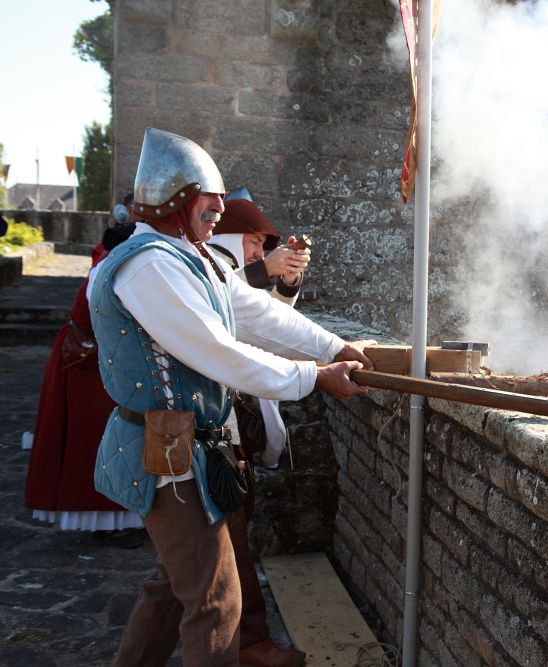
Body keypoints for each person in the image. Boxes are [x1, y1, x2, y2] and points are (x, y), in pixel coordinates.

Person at [90, 128, 374, 666]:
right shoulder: (149, 265)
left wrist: (336, 345)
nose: (222, 209)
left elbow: (258, 314)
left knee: (174, 586)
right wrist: (314, 377)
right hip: (167, 452)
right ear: (176, 201)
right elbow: (217, 353)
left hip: (192, 447)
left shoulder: (193, 258)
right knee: (217, 601)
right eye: (209, 199)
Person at [204, 190, 312, 666]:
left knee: (214, 549)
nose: (257, 252)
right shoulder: (205, 267)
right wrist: (266, 271)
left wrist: (285, 281)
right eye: (252, 243)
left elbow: (271, 321)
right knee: (228, 543)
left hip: (229, 425)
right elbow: (225, 304)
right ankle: (249, 642)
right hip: (212, 428)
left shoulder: (229, 269)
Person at [24, 213, 145, 548]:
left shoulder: (113, 266)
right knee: (94, 440)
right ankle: (109, 521)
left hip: (98, 360)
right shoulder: (108, 270)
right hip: (87, 363)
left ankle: (122, 517)